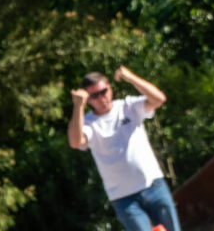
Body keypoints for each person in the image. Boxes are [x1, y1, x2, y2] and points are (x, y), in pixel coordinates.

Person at [68, 66, 181, 231]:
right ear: (89, 100)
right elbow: (75, 142)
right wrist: (78, 106)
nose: (101, 98)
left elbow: (159, 99)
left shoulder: (127, 106)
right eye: (94, 95)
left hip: (153, 185)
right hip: (124, 199)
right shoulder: (87, 122)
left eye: (103, 92)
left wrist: (131, 77)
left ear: (110, 89)